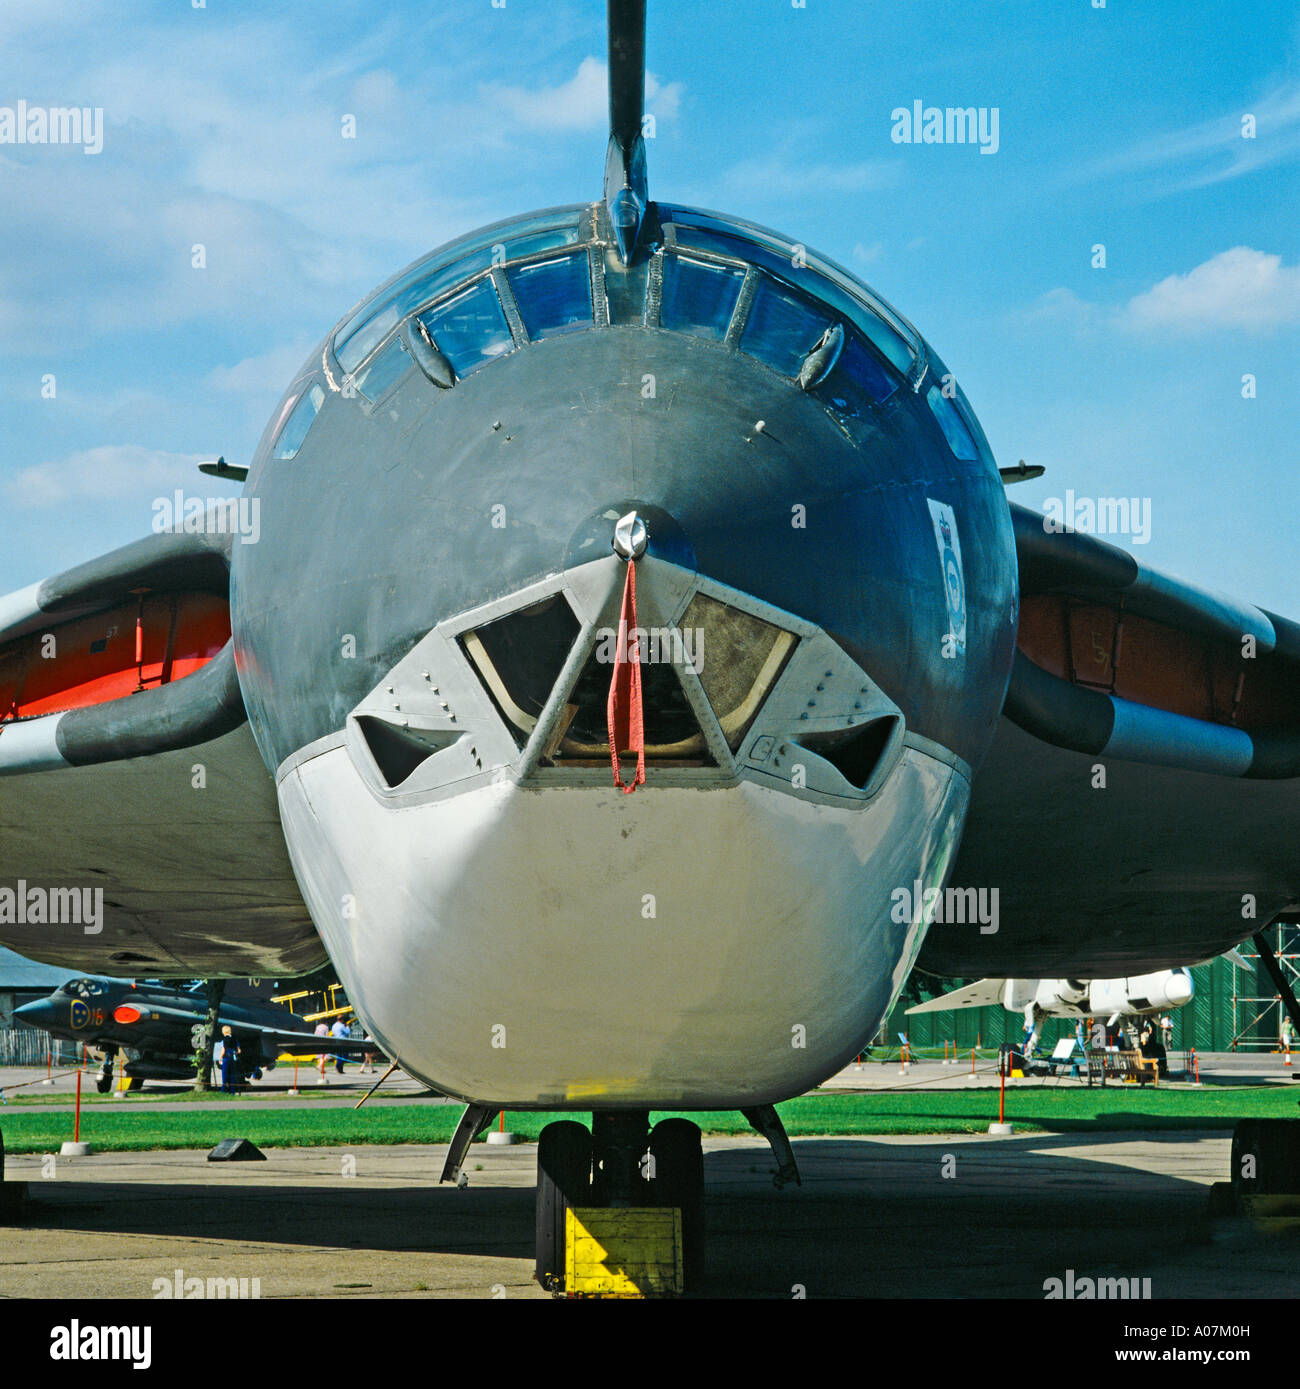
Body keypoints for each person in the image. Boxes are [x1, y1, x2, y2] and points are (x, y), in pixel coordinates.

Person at [219, 1026, 240, 1094]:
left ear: (224, 1031)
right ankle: (232, 1091)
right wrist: (234, 1053)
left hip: (226, 1057)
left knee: (225, 1074)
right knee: (232, 1075)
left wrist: (220, 1057)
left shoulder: (225, 1039)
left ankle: (224, 1090)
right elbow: (239, 1051)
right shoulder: (235, 1039)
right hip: (233, 1057)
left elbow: (224, 1049)